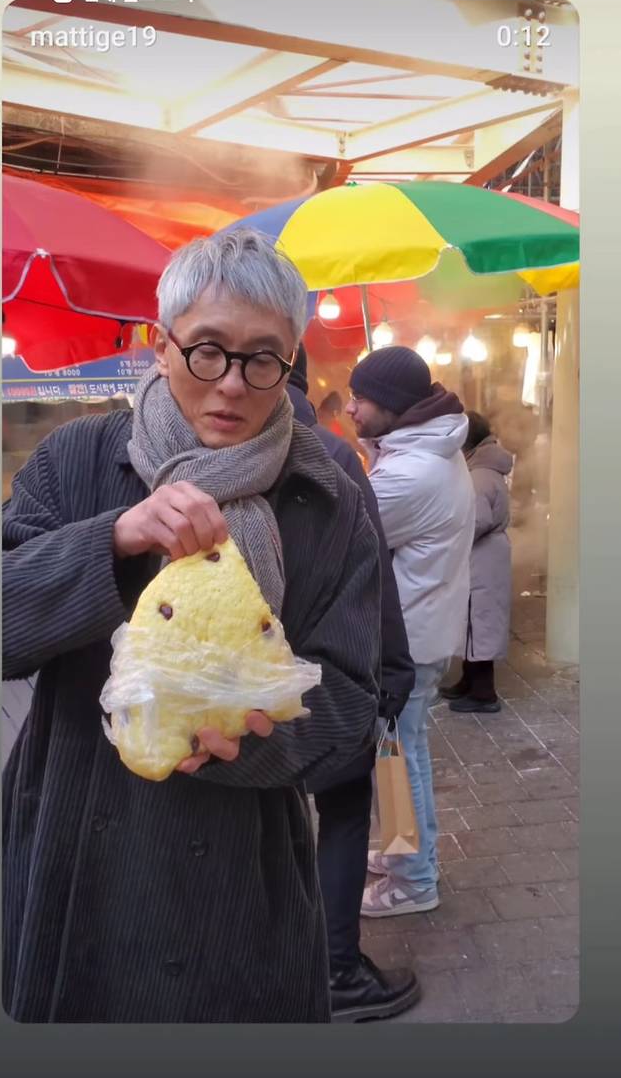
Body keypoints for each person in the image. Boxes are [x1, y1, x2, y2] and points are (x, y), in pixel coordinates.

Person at [2, 229, 383, 1023]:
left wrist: (251, 739)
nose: (231, 385)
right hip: (73, 846)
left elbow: (353, 704)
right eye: (206, 350)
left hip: (241, 873)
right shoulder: (77, 460)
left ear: (292, 361)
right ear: (160, 344)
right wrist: (111, 539)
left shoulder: (330, 496)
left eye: (261, 359)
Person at [287, 345, 420, 1022]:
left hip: (232, 692)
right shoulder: (330, 456)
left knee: (263, 821)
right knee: (341, 816)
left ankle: (281, 960)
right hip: (330, 679)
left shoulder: (181, 450)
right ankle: (338, 968)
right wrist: (393, 672)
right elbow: (375, 583)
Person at [344, 346, 475, 918]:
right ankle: (405, 854)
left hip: (408, 639)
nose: (349, 408)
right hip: (425, 627)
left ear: (395, 406)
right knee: (406, 752)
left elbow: (345, 536)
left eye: (361, 398)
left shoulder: (411, 474)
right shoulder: (428, 451)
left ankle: (414, 880)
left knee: (394, 758)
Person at [440, 411, 513, 713]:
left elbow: (477, 520)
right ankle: (468, 683)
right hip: (485, 557)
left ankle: (484, 694)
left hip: (481, 558)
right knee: (474, 622)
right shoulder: (484, 470)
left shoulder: (479, 475)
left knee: (479, 624)